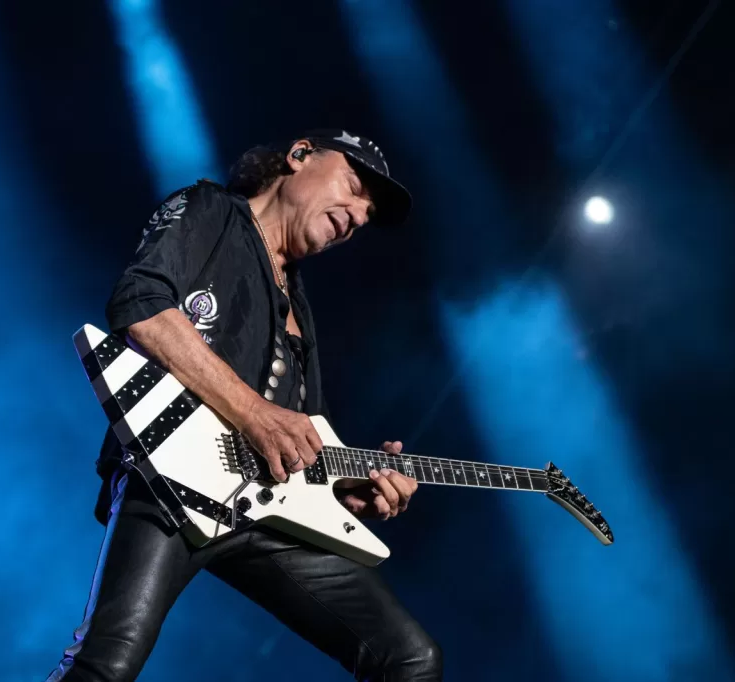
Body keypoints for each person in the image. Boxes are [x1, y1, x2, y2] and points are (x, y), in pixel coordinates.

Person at [47, 130, 441, 681]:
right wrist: (255, 414)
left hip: (265, 510)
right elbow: (141, 307)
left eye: (367, 216)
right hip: (172, 476)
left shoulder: (299, 302)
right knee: (105, 665)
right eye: (354, 189)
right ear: (299, 156)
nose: (357, 217)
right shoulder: (211, 209)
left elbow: (300, 438)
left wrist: (345, 492)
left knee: (410, 659)